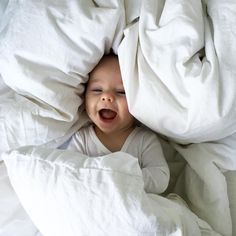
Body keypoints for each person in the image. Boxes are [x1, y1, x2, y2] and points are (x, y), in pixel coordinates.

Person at [65, 53, 170, 194]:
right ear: (84, 98)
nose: (107, 96)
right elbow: (69, 174)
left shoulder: (144, 140)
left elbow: (161, 178)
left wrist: (119, 178)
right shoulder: (82, 139)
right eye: (97, 90)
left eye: (121, 92)